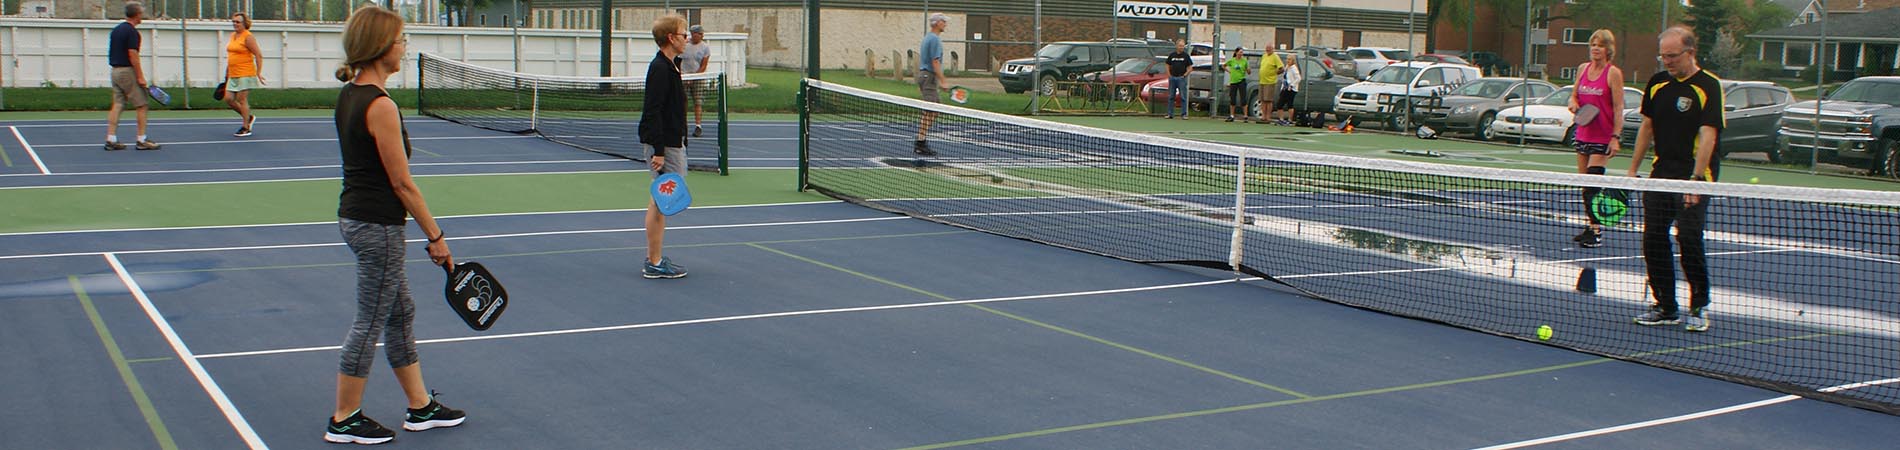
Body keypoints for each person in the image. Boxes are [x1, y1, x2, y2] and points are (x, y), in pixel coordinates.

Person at [325, 5, 465, 445]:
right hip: (377, 226)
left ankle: (420, 406)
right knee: (370, 322)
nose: (405, 47)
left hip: (358, 218)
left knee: (400, 312)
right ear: (382, 46)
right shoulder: (380, 105)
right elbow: (402, 183)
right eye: (402, 39)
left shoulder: (350, 93)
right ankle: (344, 417)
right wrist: (436, 237)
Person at [1627, 26, 1723, 332]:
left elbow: (1708, 136)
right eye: (1663, 55)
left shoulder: (1709, 85)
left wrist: (1696, 180)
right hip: (1660, 175)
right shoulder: (1657, 84)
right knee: (1653, 239)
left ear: (1690, 52)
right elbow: (1646, 128)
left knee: (1689, 239)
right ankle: (1666, 306)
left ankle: (1698, 306)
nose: (1666, 61)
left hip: (1694, 176)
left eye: (1672, 55)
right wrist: (1632, 169)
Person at [637, 14, 692, 279]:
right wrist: (658, 150)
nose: (687, 38)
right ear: (671, 38)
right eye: (683, 34)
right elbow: (653, 111)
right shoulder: (660, 68)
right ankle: (654, 262)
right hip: (664, 146)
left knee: (659, 201)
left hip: (671, 142)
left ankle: (654, 258)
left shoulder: (672, 65)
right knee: (660, 202)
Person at [1567, 29, 1625, 248]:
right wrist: (1573, 103)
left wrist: (1615, 137)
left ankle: (1597, 231)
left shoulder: (1613, 73)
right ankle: (1590, 226)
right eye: (1592, 44)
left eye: (1599, 45)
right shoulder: (1583, 69)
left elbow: (1619, 108)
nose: (1595, 49)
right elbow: (1574, 95)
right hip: (1583, 133)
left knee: (1592, 184)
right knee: (1585, 186)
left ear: (1608, 49)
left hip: (1602, 137)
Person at [104, 2, 159, 151]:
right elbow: (133, 55)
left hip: (115, 71)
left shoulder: (116, 30)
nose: (143, 16)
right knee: (142, 105)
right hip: (126, 71)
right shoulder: (132, 32)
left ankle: (111, 139)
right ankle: (142, 140)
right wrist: (140, 77)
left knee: (118, 104)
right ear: (137, 15)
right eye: (141, 13)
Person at [224, 12, 266, 137]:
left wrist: (258, 72)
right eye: (233, 22)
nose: (235, 24)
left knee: (241, 99)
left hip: (246, 72)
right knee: (229, 99)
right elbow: (232, 55)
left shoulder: (248, 37)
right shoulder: (233, 36)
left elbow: (258, 55)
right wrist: (227, 72)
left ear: (244, 23)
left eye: (237, 22)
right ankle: (249, 117)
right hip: (233, 73)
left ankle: (245, 127)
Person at [913, 13, 950, 156]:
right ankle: (920, 143)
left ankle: (921, 141)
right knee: (930, 110)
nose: (946, 24)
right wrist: (943, 81)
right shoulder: (934, 39)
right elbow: (935, 62)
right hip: (929, 77)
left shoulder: (929, 38)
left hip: (927, 77)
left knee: (934, 110)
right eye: (944, 21)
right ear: (937, 23)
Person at [680, 25, 711, 138]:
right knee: (683, 102)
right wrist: (683, 75)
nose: (701, 36)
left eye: (702, 34)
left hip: (698, 78)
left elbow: (703, 65)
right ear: (693, 34)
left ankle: (698, 126)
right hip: (683, 77)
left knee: (698, 102)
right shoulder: (684, 45)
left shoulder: (705, 47)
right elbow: (677, 60)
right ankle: (683, 125)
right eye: (699, 33)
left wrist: (694, 77)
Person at [1164, 39, 1191, 120]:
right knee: (1171, 96)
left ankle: (1184, 114)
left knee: (1183, 97)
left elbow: (1190, 68)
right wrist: (1169, 74)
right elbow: (1167, 64)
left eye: (1183, 46)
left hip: (1181, 78)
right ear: (1176, 46)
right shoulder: (1172, 55)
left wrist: (1185, 75)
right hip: (1172, 78)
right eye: (1180, 46)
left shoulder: (1186, 56)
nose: (1181, 47)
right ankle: (1170, 114)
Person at [1256, 45, 1283, 124]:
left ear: (1272, 49)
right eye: (1266, 49)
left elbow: (1281, 68)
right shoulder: (1264, 56)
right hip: (1262, 81)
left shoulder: (1275, 57)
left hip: (1270, 82)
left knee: (1268, 100)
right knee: (1262, 99)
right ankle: (1263, 116)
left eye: (1269, 49)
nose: (1267, 50)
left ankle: (1268, 116)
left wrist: (1274, 74)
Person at [1274, 53, 1300, 126]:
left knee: (1290, 104)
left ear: (1293, 60)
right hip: (1285, 88)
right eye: (1287, 59)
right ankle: (1281, 119)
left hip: (1291, 89)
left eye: (1289, 59)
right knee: (1279, 104)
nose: (1287, 61)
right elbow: (1285, 77)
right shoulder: (1287, 67)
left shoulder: (1294, 68)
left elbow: (1298, 78)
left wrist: (1292, 85)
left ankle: (1290, 120)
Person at [1223, 47, 1248, 122]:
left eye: (1242, 52)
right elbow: (1224, 66)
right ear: (1236, 52)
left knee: (1243, 98)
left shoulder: (1244, 61)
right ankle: (1232, 115)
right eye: (1240, 52)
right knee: (1232, 98)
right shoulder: (1232, 60)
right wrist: (1229, 71)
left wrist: (1247, 70)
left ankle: (1245, 116)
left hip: (1241, 80)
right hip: (1233, 81)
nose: (1241, 54)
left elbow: (1247, 70)